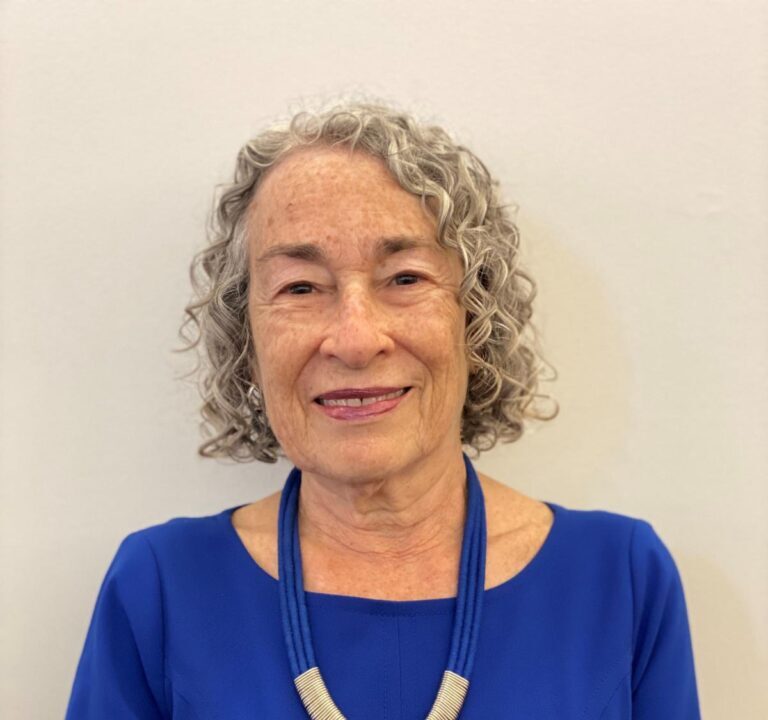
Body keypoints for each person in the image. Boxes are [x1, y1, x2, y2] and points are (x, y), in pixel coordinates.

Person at [65, 101, 702, 719]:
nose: (355, 339)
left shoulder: (619, 580)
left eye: (404, 278)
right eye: (300, 287)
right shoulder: (161, 590)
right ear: (247, 341)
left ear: (475, 319)